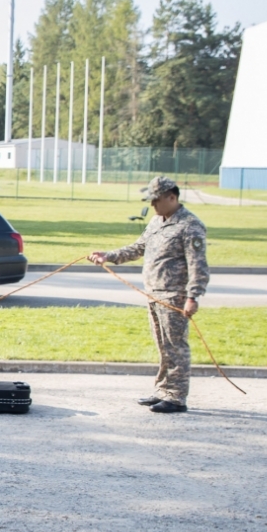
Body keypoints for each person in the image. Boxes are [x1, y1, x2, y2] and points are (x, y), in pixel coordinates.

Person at [90, 175, 210, 413]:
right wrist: (108, 256)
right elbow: (138, 248)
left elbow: (198, 264)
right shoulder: (157, 221)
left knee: (176, 347)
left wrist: (193, 297)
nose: (153, 205)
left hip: (174, 295)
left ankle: (176, 397)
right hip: (154, 294)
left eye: (156, 200)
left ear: (172, 197)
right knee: (163, 346)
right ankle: (163, 390)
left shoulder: (190, 225)